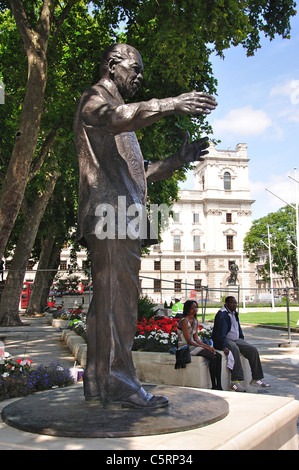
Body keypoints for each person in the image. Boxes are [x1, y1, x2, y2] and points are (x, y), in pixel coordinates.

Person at [74, 43, 217, 408]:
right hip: (112, 216)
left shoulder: (124, 121)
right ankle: (118, 384)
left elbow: (139, 176)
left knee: (110, 303)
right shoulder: (97, 100)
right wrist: (171, 103)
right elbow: (116, 116)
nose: (138, 76)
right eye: (133, 68)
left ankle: (99, 384)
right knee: (118, 305)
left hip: (124, 216)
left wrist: (178, 159)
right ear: (111, 65)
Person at [212, 296, 269, 392]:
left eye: (235, 303)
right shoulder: (222, 314)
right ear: (226, 304)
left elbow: (237, 328)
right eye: (232, 303)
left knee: (252, 349)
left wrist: (242, 339)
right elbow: (220, 333)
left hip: (236, 339)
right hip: (225, 340)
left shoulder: (234, 313)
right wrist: (223, 346)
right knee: (235, 349)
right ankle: (235, 380)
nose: (235, 305)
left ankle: (256, 378)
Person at [177, 300, 223, 390]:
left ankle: (219, 385)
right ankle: (214, 385)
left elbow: (197, 339)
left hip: (194, 345)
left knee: (219, 356)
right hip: (186, 347)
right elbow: (188, 340)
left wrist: (208, 347)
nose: (194, 310)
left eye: (195, 308)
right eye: (192, 308)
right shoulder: (184, 321)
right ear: (187, 310)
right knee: (212, 357)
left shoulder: (194, 320)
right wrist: (204, 347)